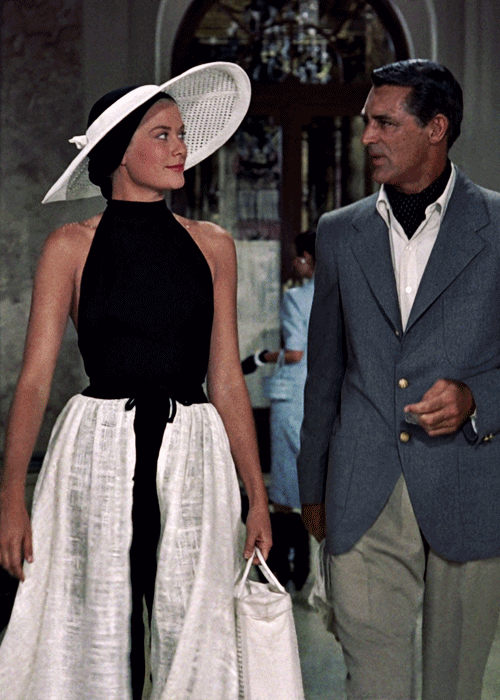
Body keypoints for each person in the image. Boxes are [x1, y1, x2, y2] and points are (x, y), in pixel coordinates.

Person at [0, 62, 272, 700]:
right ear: (119, 151)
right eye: (162, 135)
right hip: (97, 454)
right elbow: (34, 380)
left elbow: (226, 376)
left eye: (182, 135)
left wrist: (257, 496)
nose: (181, 148)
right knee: (98, 640)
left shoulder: (213, 245)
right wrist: (11, 496)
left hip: (195, 454)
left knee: (197, 637)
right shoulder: (68, 246)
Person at [297, 58, 500, 700]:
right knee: (374, 686)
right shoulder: (338, 232)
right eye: (367, 122)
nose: (367, 137)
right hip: (363, 488)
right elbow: (325, 372)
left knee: (454, 687)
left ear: (436, 128)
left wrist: (478, 397)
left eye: (385, 123)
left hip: (471, 484)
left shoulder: (499, 226)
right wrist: (311, 486)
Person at [242, 232, 315, 589]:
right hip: (323, 393)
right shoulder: (341, 295)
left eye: (297, 258)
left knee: (285, 488)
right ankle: (303, 566)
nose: (295, 265)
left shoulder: (296, 298)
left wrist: (260, 357)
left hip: (293, 395)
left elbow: (296, 353)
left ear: (307, 258)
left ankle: (284, 566)